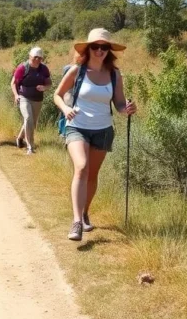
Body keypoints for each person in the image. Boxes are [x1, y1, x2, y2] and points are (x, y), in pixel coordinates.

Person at [53, 28, 136, 242]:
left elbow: (118, 102)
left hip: (103, 129)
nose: (100, 50)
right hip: (77, 126)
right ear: (88, 48)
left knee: (92, 174)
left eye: (104, 47)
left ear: (109, 50)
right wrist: (65, 109)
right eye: (96, 46)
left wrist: (125, 109)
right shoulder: (76, 71)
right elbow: (57, 95)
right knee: (81, 167)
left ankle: (85, 211)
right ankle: (77, 221)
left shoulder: (114, 74)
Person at [11, 46, 52, 155]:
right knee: (28, 118)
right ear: (30, 56)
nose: (37, 60)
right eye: (35, 57)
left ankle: (19, 138)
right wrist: (16, 95)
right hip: (24, 97)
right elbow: (14, 83)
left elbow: (49, 83)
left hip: (38, 99)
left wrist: (44, 87)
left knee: (32, 123)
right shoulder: (23, 68)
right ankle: (30, 147)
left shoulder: (44, 69)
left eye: (40, 58)